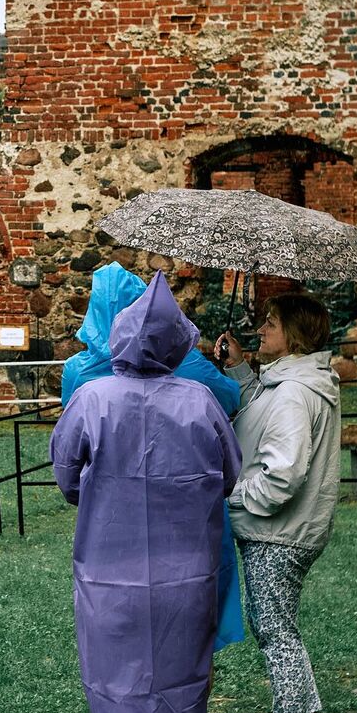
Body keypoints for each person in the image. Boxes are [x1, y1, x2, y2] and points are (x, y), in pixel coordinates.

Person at [52, 273, 241, 713]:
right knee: (184, 690)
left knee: (120, 692)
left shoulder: (93, 398)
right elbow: (230, 473)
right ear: (175, 342)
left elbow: (66, 475)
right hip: (188, 580)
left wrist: (105, 498)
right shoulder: (201, 400)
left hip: (110, 582)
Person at [61, 263, 246, 650]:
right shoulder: (189, 373)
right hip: (187, 519)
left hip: (110, 523)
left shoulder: (78, 377)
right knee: (193, 624)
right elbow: (230, 415)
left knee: (116, 629)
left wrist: (94, 492)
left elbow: (68, 465)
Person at [211, 291, 342, 713]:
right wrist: (242, 370)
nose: (262, 329)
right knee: (282, 627)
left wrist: (234, 495)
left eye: (271, 323)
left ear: (294, 336)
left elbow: (283, 474)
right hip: (291, 529)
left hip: (278, 531)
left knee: (275, 631)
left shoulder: (292, 392)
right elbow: (258, 412)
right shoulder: (294, 381)